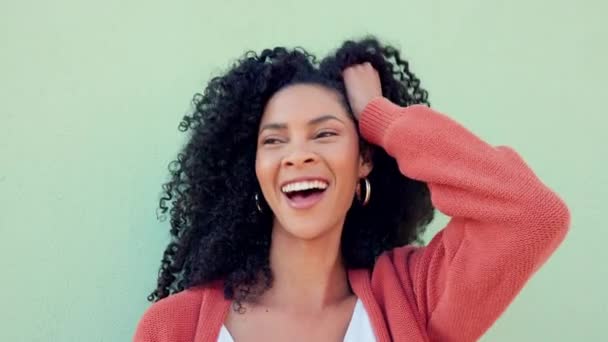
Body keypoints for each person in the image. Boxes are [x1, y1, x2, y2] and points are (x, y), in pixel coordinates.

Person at [133, 37, 570, 342]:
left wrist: (381, 117)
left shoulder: (413, 301)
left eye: (324, 134)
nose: (297, 155)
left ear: (364, 159)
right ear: (254, 169)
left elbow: (531, 213)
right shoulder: (175, 327)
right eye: (274, 140)